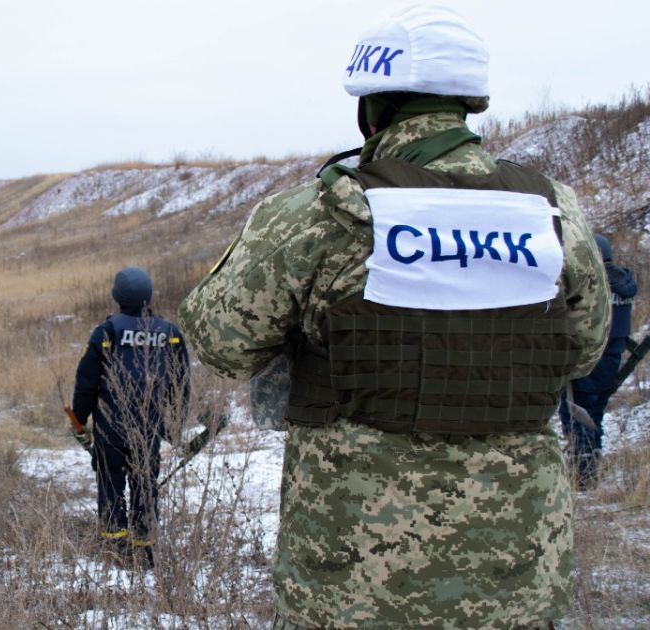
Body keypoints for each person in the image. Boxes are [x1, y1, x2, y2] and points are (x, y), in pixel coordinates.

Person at [178, 4, 610, 627]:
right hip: (515, 578)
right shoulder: (551, 213)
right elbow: (585, 349)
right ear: (469, 104)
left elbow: (221, 342)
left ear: (372, 107)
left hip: (354, 581)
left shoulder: (321, 211)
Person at [72, 267, 190, 568]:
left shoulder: (106, 332)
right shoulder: (169, 333)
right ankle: (146, 550)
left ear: (116, 296)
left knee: (110, 486)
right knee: (145, 485)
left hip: (110, 427)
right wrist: (174, 425)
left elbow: (86, 382)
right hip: (150, 429)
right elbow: (181, 383)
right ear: (148, 295)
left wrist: (79, 419)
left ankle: (115, 550)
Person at [560, 234, 637, 488]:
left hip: (587, 356)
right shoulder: (624, 281)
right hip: (612, 358)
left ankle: (581, 475)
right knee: (594, 413)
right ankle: (590, 468)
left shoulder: (593, 282)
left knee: (576, 413)